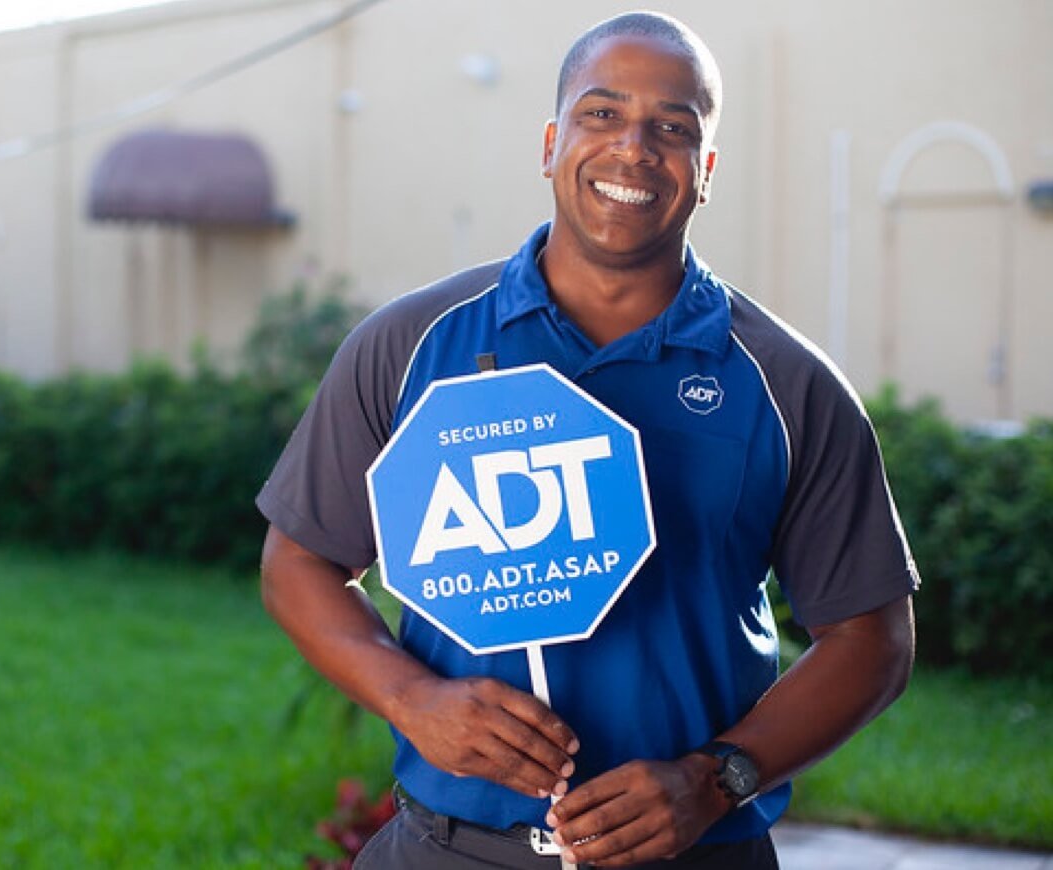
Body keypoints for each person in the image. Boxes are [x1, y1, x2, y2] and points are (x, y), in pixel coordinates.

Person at [256, 11, 919, 869]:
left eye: (673, 128)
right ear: (550, 141)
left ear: (705, 170)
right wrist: (411, 697)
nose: (634, 149)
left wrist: (716, 779)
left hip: (696, 853)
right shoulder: (413, 345)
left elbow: (873, 638)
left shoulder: (788, 386)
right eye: (601, 114)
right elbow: (299, 562)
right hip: (446, 850)